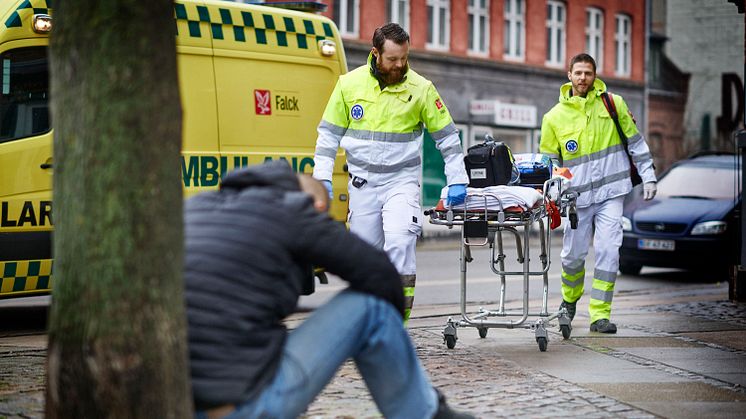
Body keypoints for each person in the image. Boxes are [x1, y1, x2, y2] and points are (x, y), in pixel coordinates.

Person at [184, 161, 473, 419]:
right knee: (372, 309)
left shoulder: (194, 207)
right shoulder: (293, 209)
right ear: (318, 207)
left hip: (177, 401)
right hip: (243, 406)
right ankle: (427, 414)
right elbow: (379, 273)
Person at [312, 23, 469, 322]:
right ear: (375, 53)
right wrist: (322, 177)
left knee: (399, 241)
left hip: (402, 182)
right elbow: (328, 136)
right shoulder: (349, 85)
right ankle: (368, 320)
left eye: (404, 58)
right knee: (364, 259)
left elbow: (447, 138)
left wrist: (458, 179)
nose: (400, 65)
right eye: (393, 59)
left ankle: (397, 321)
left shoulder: (421, 89)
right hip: (362, 185)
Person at [540, 53, 657, 334]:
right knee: (572, 257)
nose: (583, 78)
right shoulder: (553, 117)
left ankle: (600, 315)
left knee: (608, 251)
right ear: (568, 75)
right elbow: (550, 162)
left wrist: (649, 175)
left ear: (595, 76)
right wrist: (557, 189)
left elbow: (635, 143)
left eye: (588, 73)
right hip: (575, 199)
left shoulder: (613, 104)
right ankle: (569, 302)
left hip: (611, 194)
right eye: (578, 73)